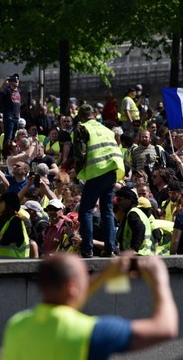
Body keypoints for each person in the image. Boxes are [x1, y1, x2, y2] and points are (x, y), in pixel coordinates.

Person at [1, 252, 178, 359]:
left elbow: (67, 302)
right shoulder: (90, 332)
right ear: (72, 287)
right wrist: (159, 279)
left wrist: (104, 276)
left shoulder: (17, 325)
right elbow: (166, 328)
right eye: (85, 277)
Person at [73, 104, 125, 258]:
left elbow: (79, 153)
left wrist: (78, 172)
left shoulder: (82, 128)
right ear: (94, 115)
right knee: (107, 210)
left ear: (81, 117)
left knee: (86, 211)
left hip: (96, 171)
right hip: (111, 171)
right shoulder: (106, 130)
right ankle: (110, 248)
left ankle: (87, 248)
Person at [0, 192, 30, 259]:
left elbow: (3, 241)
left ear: (6, 204)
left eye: (0, 201)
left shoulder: (16, 221)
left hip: (15, 266)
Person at [114, 187, 153, 255]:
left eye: (119, 199)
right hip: (141, 255)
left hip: (138, 256)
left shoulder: (133, 214)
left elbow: (140, 228)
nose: (118, 203)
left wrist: (133, 249)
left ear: (129, 200)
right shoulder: (133, 213)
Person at [0, 74, 21, 154]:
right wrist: (4, 81)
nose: (16, 81)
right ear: (10, 82)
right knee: (8, 137)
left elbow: (17, 105)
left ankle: (11, 153)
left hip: (16, 117)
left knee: (13, 137)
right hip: (9, 117)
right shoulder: (7, 90)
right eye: (14, 80)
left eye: (17, 80)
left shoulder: (18, 91)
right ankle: (6, 154)